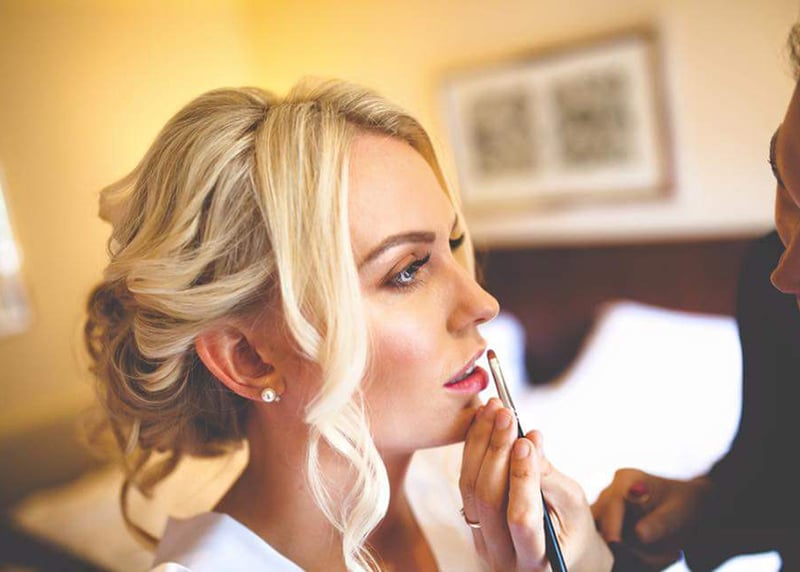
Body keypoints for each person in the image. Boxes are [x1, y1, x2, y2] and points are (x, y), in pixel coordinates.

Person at [84, 80, 615, 571]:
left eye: (453, 244)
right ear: (248, 358)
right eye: (406, 270)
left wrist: (602, 558)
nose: (484, 303)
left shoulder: (471, 496)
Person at [592, 23, 800, 571]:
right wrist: (702, 505)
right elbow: (774, 470)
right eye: (785, 186)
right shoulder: (768, 279)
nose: (786, 276)